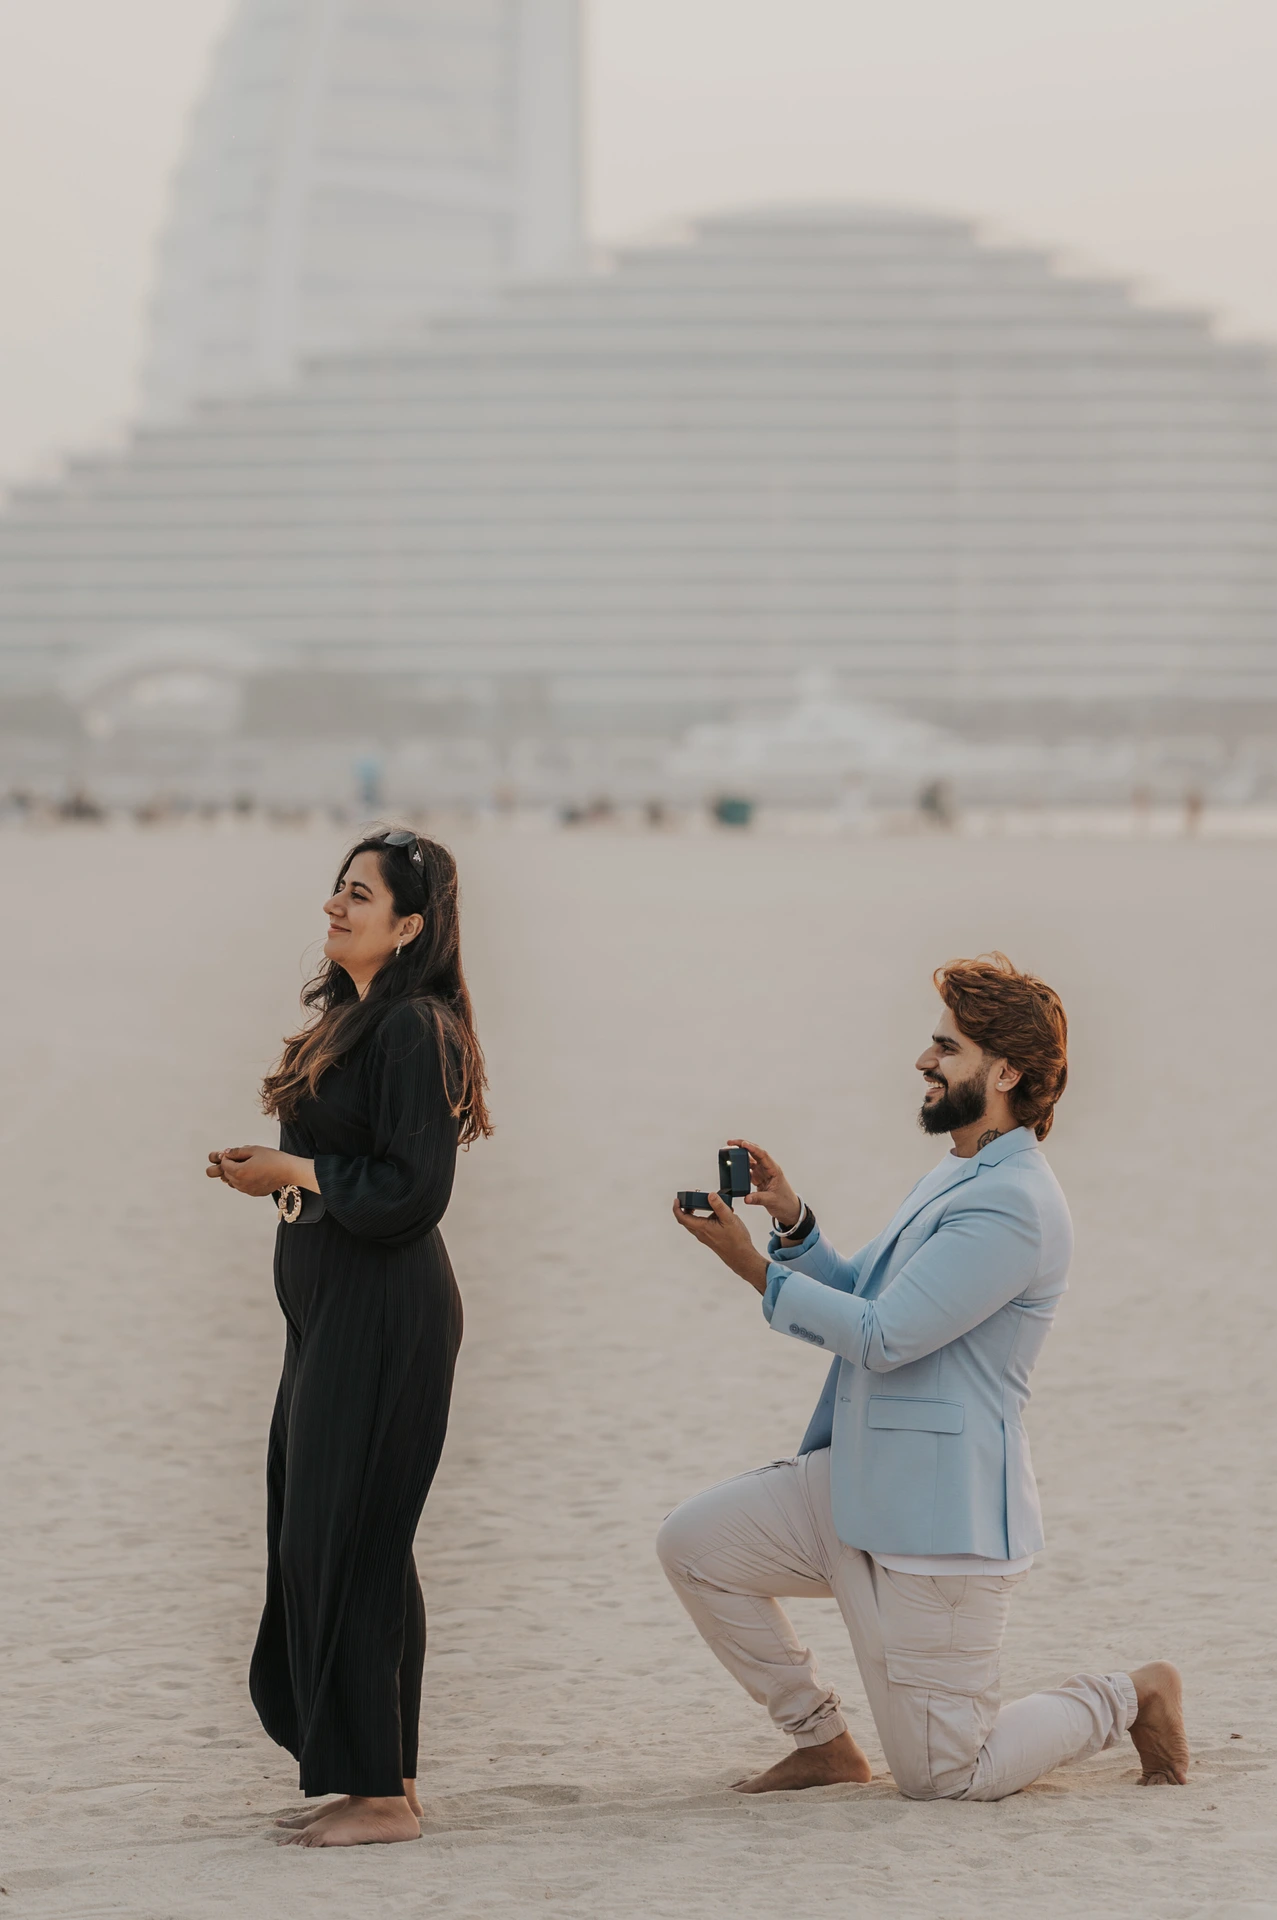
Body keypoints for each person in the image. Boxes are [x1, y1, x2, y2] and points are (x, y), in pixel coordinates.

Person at [663, 952, 1188, 1802]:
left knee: (946, 1776)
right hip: (856, 1482)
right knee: (693, 1547)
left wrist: (754, 1272)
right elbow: (868, 1293)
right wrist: (788, 1217)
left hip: (940, 1526)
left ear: (1006, 1071)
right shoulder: (959, 1170)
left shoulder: (1014, 1204)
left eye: (945, 1046)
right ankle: (821, 1742)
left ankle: (1130, 1694)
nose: (922, 1059)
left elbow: (883, 1337)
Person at [207, 830, 491, 1847]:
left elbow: (412, 1195)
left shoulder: (417, 1028)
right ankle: (388, 1778)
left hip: (385, 1309)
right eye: (336, 888)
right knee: (333, 1529)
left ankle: (379, 1797)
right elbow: (348, 1169)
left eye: (358, 894)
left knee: (354, 1539)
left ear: (409, 926)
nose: (334, 904)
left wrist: (292, 1176)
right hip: (329, 1308)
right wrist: (281, 1176)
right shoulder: (355, 1021)